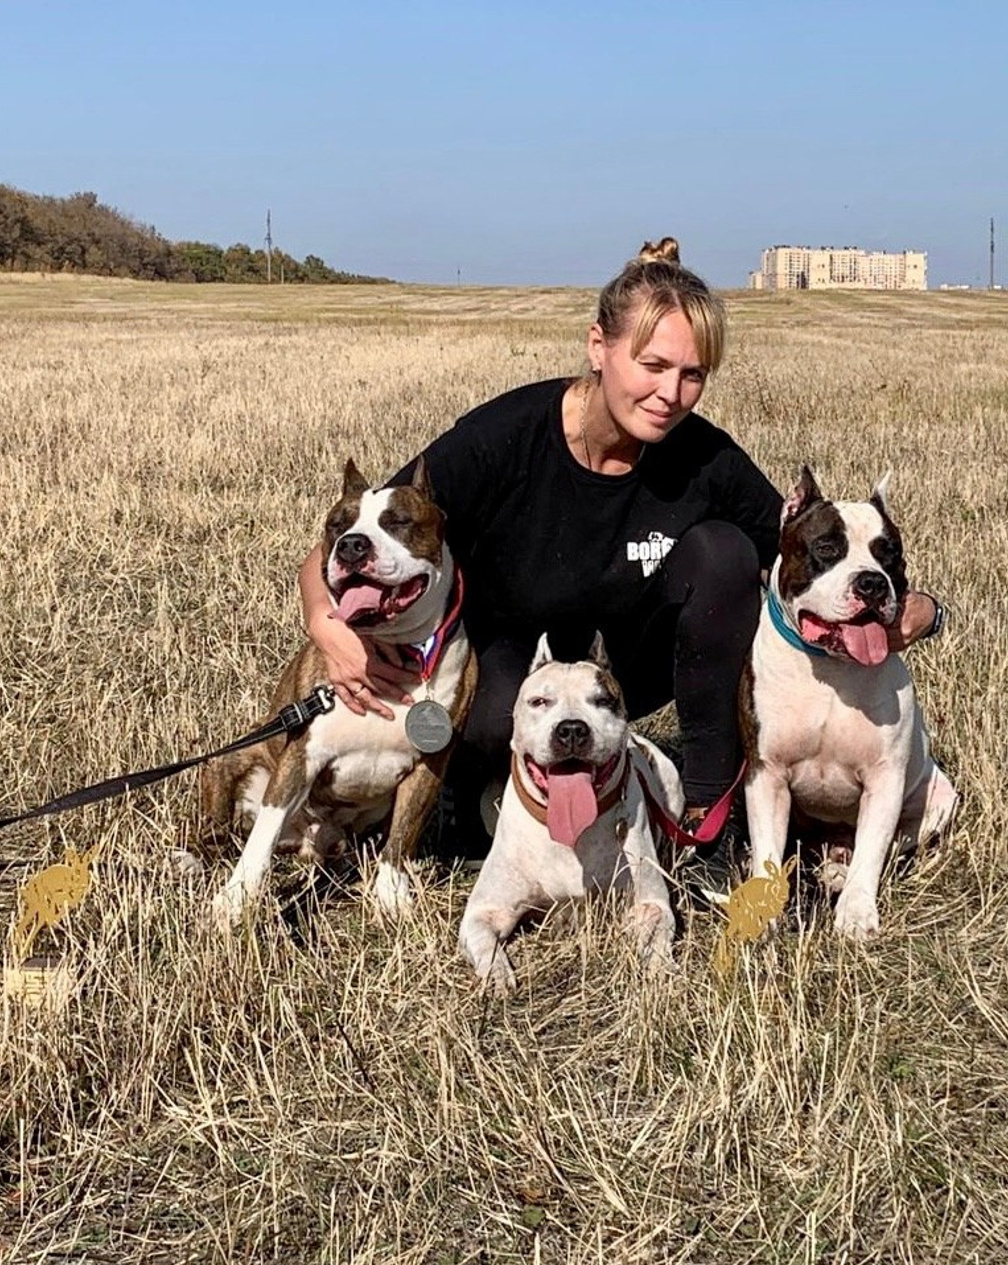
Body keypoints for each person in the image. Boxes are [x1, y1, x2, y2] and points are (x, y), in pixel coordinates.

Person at [297, 237, 942, 868]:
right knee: (492, 723)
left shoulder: (706, 457)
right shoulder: (504, 437)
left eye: (693, 375)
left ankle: (705, 810)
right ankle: (477, 798)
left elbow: (799, 556)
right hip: (509, 667)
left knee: (724, 554)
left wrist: (914, 608)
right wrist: (330, 627)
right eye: (654, 366)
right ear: (598, 347)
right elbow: (363, 535)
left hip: (630, 665)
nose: (671, 394)